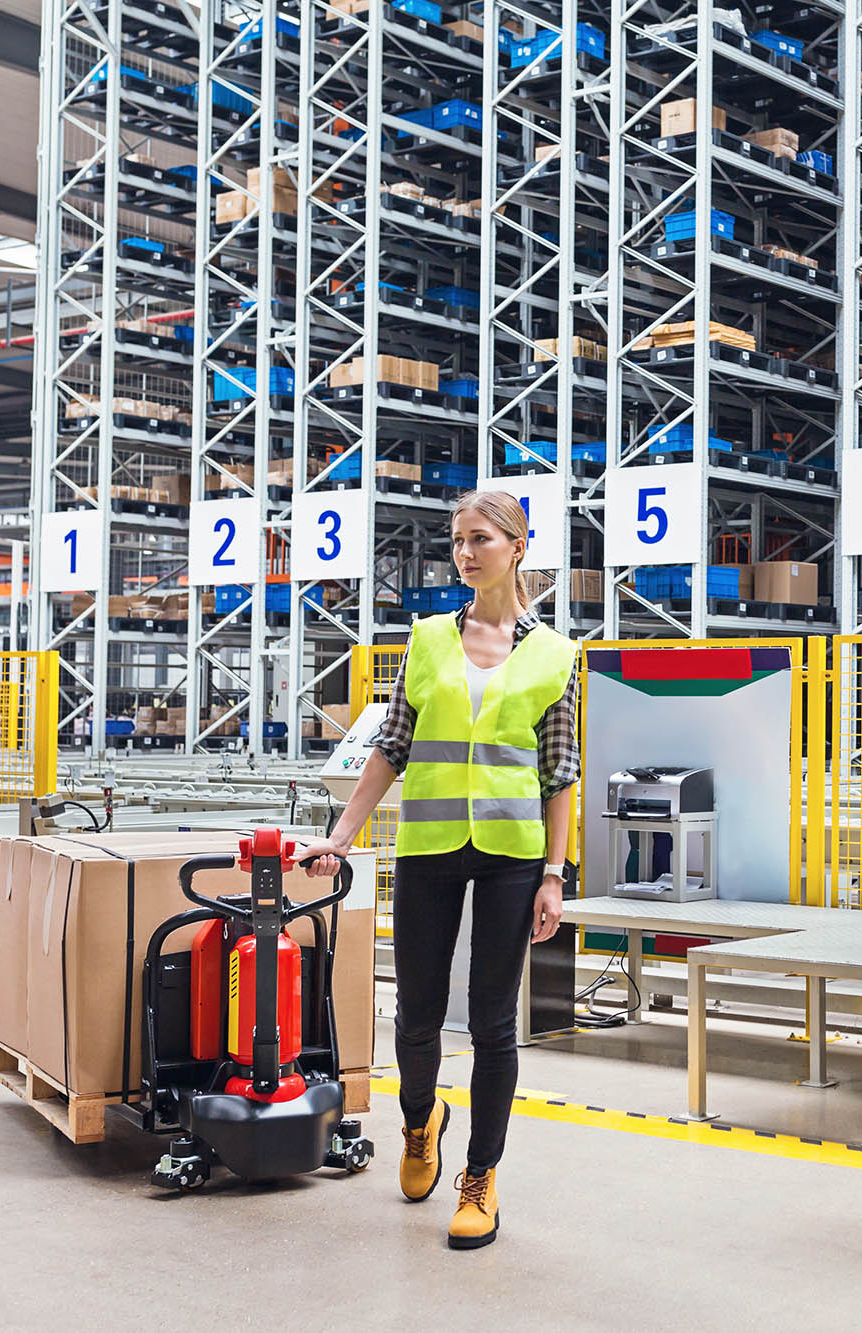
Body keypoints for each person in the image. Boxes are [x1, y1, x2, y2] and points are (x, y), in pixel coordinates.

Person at [298, 489, 579, 1251]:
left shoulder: (556, 654)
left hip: (512, 855)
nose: (463, 552)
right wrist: (343, 834)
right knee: (416, 1013)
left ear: (517, 547)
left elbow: (560, 772)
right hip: (427, 845)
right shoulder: (425, 639)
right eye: (456, 540)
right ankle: (420, 1122)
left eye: (479, 539)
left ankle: (480, 1179)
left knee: (492, 1022)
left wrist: (555, 871)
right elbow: (391, 745)